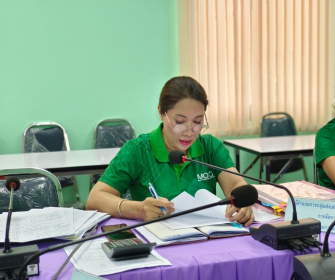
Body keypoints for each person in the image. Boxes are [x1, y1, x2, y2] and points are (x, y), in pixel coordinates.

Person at [86, 76, 254, 226]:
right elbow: (95, 200)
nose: (189, 131)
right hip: (157, 240)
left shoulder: (210, 146)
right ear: (161, 112)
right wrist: (138, 209)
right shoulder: (137, 150)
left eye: (197, 122)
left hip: (205, 238)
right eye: (180, 121)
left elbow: (236, 184)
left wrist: (242, 204)